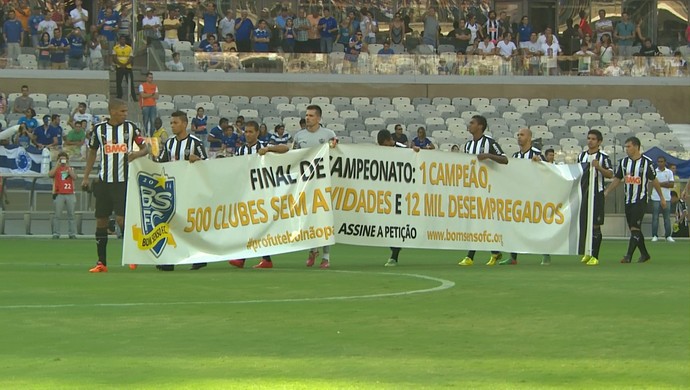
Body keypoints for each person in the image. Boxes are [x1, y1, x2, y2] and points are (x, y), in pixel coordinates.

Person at [82, 99, 148, 273]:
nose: (125, 114)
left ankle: (132, 257)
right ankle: (101, 262)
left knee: (121, 220)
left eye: (126, 111)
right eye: (122, 111)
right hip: (104, 182)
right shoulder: (99, 130)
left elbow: (146, 148)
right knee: (101, 220)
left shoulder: (131, 128)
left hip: (122, 182)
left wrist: (137, 154)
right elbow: (92, 153)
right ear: (112, 111)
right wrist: (86, 176)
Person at [228, 121, 289, 269]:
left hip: (262, 192)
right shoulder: (240, 150)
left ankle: (248, 258)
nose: (247, 135)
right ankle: (261, 259)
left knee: (256, 224)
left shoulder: (264, 146)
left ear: (257, 133)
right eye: (246, 132)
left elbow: (286, 148)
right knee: (246, 224)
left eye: (250, 132)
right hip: (245, 191)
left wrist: (269, 149)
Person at [155, 110, 209, 271]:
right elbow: (161, 163)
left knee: (190, 223)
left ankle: (199, 256)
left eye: (175, 123)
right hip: (172, 189)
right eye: (171, 123)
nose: (172, 125)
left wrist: (197, 160)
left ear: (184, 124)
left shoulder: (195, 143)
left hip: (190, 189)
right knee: (171, 223)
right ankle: (170, 260)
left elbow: (207, 166)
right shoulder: (170, 143)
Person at [604, 137, 666, 263]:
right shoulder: (623, 162)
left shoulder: (646, 163)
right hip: (628, 200)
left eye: (629, 146)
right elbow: (617, 179)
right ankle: (645, 254)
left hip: (640, 200)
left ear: (637, 147)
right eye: (626, 147)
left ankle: (628, 256)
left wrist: (662, 198)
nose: (626, 149)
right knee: (634, 229)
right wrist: (607, 191)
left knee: (635, 228)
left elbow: (654, 181)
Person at [459, 115, 508, 266]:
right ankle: (494, 252)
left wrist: (488, 156)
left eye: (472, 123)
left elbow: (505, 159)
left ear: (480, 126)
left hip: (488, 188)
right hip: (472, 187)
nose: (469, 125)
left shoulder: (490, 143)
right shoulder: (467, 146)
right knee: (476, 222)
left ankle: (471, 256)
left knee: (480, 221)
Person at [293, 105, 337, 268]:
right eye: (306, 115)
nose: (308, 118)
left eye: (311, 115)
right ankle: (312, 249)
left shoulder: (328, 134)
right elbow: (294, 156)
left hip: (323, 183)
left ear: (318, 118)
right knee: (308, 217)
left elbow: (337, 153)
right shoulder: (299, 136)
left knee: (323, 218)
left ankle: (326, 256)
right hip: (305, 183)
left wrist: (333, 146)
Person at [503, 128, 549, 265]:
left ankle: (546, 254)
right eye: (517, 135)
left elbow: (549, 171)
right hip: (519, 195)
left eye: (522, 135)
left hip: (535, 195)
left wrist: (540, 164)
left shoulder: (537, 154)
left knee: (537, 225)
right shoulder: (516, 156)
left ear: (529, 138)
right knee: (515, 225)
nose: (519, 137)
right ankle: (513, 257)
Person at [377, 129, 419, 267]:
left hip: (402, 192)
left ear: (390, 140)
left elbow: (415, 157)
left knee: (396, 222)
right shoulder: (378, 151)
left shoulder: (402, 148)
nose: (385, 148)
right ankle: (395, 249)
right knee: (384, 224)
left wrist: (416, 151)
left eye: (386, 145)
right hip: (386, 193)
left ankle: (394, 254)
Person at [577, 130, 613, 266]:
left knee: (596, 225)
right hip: (584, 194)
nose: (590, 141)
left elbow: (610, 174)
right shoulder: (581, 156)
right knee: (585, 224)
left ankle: (595, 256)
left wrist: (599, 168)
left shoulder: (603, 157)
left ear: (599, 142)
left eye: (593, 139)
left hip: (597, 194)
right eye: (588, 138)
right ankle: (587, 252)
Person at [50, 151, 77, 239]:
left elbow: (75, 177)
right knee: (57, 215)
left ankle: (72, 233)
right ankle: (56, 233)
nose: (62, 161)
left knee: (71, 215)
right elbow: (50, 174)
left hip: (70, 193)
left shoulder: (70, 168)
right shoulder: (56, 169)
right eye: (61, 159)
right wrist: (57, 165)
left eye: (64, 159)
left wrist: (68, 169)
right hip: (59, 194)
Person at [650, 156, 675, 242]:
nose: (660, 163)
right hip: (655, 197)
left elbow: (671, 184)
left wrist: (658, 184)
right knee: (655, 217)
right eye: (658, 162)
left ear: (665, 162)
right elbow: (652, 184)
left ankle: (668, 235)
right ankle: (654, 235)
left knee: (667, 218)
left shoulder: (669, 172)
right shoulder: (654, 172)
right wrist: (664, 183)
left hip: (666, 198)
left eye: (661, 162)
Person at [113, 35, 137, 100]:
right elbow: (114, 58)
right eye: (121, 39)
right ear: (119, 40)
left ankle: (134, 97)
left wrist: (125, 64)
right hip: (119, 67)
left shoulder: (129, 48)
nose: (122, 41)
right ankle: (119, 95)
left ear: (125, 40)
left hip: (128, 67)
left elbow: (131, 58)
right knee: (118, 82)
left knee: (130, 83)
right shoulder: (115, 48)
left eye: (124, 39)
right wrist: (121, 64)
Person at [138, 72, 158, 136]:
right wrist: (152, 94)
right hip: (145, 106)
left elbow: (157, 96)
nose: (151, 79)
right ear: (146, 78)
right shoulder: (142, 85)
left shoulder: (155, 86)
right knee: (145, 122)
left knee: (153, 122)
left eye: (152, 78)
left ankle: (152, 136)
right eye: (149, 77)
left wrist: (147, 94)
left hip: (153, 106)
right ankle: (145, 135)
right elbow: (142, 95)